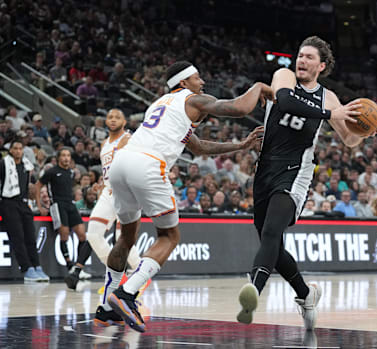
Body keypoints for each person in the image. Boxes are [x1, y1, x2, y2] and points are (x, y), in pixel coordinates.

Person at [103, 60, 271, 333]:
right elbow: (239, 108)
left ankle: (107, 307)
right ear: (183, 83)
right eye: (197, 77)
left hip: (121, 163)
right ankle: (126, 294)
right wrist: (259, 86)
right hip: (147, 164)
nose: (202, 82)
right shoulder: (193, 99)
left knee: (126, 237)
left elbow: (200, 147)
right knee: (170, 237)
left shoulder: (160, 104)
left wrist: (240, 145)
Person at [236, 36, 377, 330]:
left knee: (273, 229)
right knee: (270, 241)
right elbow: (286, 102)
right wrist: (330, 115)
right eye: (300, 55)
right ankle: (306, 293)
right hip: (265, 169)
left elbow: (350, 140)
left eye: (309, 57)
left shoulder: (329, 97)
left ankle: (254, 290)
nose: (301, 60)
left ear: (321, 66)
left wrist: (367, 130)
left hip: (296, 171)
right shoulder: (284, 76)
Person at [85, 110, 145, 326]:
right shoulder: (104, 143)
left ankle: (137, 277)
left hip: (125, 191)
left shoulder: (129, 138)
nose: (112, 120)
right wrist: (101, 184)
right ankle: (125, 278)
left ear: (124, 121)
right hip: (108, 191)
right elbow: (107, 170)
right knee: (93, 233)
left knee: (124, 239)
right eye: (110, 117)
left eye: (117, 117)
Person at [35, 148, 92, 290]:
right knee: (64, 235)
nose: (66, 158)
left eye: (68, 156)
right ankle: (69, 266)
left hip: (70, 204)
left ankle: (78, 267)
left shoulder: (71, 172)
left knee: (82, 235)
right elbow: (37, 186)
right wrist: (40, 206)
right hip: (57, 205)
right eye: (64, 156)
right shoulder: (51, 172)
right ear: (58, 157)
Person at [0, 140, 49, 282]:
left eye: (20, 148)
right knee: (18, 237)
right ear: (10, 150)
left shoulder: (26, 166)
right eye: (15, 148)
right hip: (8, 202)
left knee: (30, 237)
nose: (18, 151)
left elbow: (33, 186)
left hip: (23, 203)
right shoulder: (3, 164)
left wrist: (38, 204)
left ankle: (36, 266)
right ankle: (26, 268)